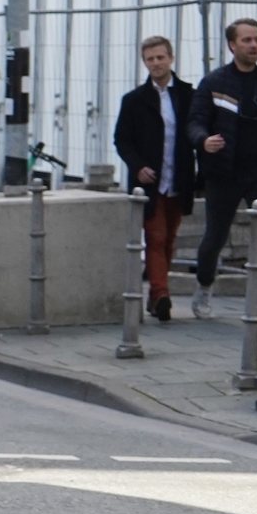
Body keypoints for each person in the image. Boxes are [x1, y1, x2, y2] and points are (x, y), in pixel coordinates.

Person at [190, 17, 257, 325]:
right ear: (232, 45)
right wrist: (204, 141)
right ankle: (205, 286)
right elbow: (194, 122)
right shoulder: (215, 82)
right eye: (247, 40)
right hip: (224, 173)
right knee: (215, 237)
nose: (254, 45)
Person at [112, 35, 197, 321]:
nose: (156, 63)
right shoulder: (135, 100)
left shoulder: (187, 95)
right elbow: (122, 140)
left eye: (161, 57)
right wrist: (137, 167)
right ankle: (161, 294)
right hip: (149, 182)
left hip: (179, 176)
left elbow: (196, 131)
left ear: (171, 58)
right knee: (155, 236)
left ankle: (155, 294)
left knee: (170, 236)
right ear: (144, 63)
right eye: (150, 59)